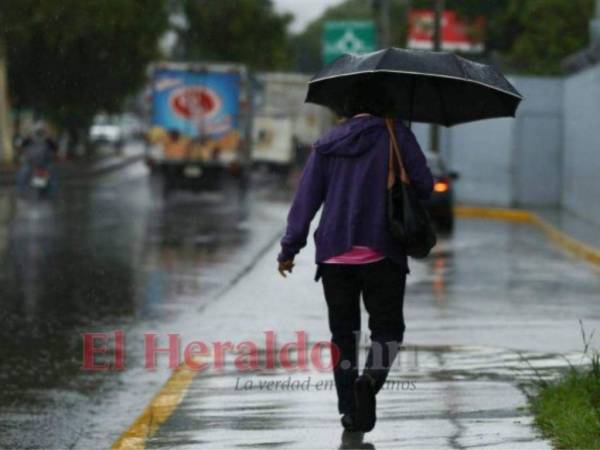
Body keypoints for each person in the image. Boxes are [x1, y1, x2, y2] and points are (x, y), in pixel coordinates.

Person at [277, 100, 433, 432]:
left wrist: (289, 248)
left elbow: (305, 201)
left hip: (334, 255)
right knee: (387, 331)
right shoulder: (396, 136)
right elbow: (424, 186)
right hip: (383, 251)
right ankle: (370, 380)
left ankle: (349, 412)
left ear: (346, 106)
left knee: (342, 336)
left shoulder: (327, 143)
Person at [16, 122, 58, 195]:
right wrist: (26, 137)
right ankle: (21, 192)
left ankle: (52, 193)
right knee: (22, 175)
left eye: (41, 131)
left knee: (52, 176)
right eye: (38, 131)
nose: (39, 133)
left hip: (45, 163)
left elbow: (55, 148)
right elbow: (20, 146)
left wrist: (49, 137)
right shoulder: (28, 140)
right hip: (30, 163)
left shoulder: (47, 140)